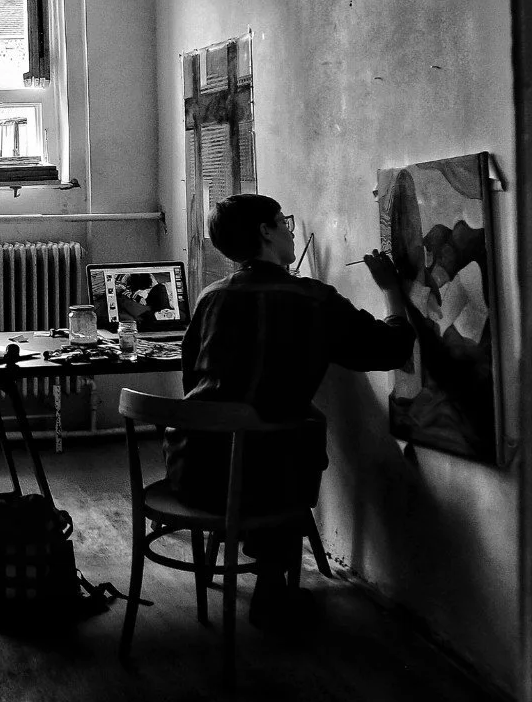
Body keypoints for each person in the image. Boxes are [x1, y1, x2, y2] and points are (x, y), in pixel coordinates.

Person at [166, 193, 412, 628]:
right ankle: (270, 585)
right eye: (284, 222)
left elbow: (192, 380)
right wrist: (392, 291)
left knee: (268, 435)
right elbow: (390, 349)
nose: (291, 230)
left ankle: (265, 571)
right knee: (289, 435)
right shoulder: (311, 299)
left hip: (193, 473)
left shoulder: (211, 297)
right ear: (266, 231)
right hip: (262, 488)